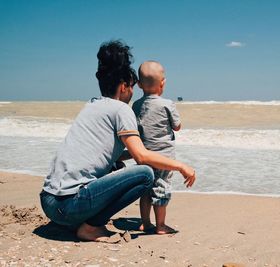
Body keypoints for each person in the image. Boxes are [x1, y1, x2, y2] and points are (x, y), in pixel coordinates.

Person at [39, 41, 196, 243]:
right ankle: (90, 227)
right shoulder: (122, 109)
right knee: (146, 174)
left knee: (117, 164)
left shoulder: (92, 105)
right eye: (131, 87)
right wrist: (180, 165)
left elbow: (109, 153)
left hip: (49, 202)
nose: (132, 93)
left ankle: (78, 221)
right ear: (123, 87)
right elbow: (141, 157)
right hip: (69, 206)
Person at [133, 61, 182, 235]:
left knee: (146, 189)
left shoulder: (136, 105)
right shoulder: (167, 104)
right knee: (161, 187)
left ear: (139, 84)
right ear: (163, 83)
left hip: (144, 155)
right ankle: (160, 225)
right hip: (165, 157)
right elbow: (177, 126)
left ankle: (145, 223)